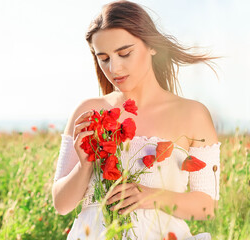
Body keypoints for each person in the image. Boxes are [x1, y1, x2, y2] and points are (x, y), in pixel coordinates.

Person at [52, 1, 221, 239]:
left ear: (151, 46)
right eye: (104, 58)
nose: (114, 67)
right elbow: (61, 204)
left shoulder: (192, 114)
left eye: (124, 53)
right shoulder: (89, 112)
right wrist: (85, 164)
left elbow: (207, 207)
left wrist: (150, 195)